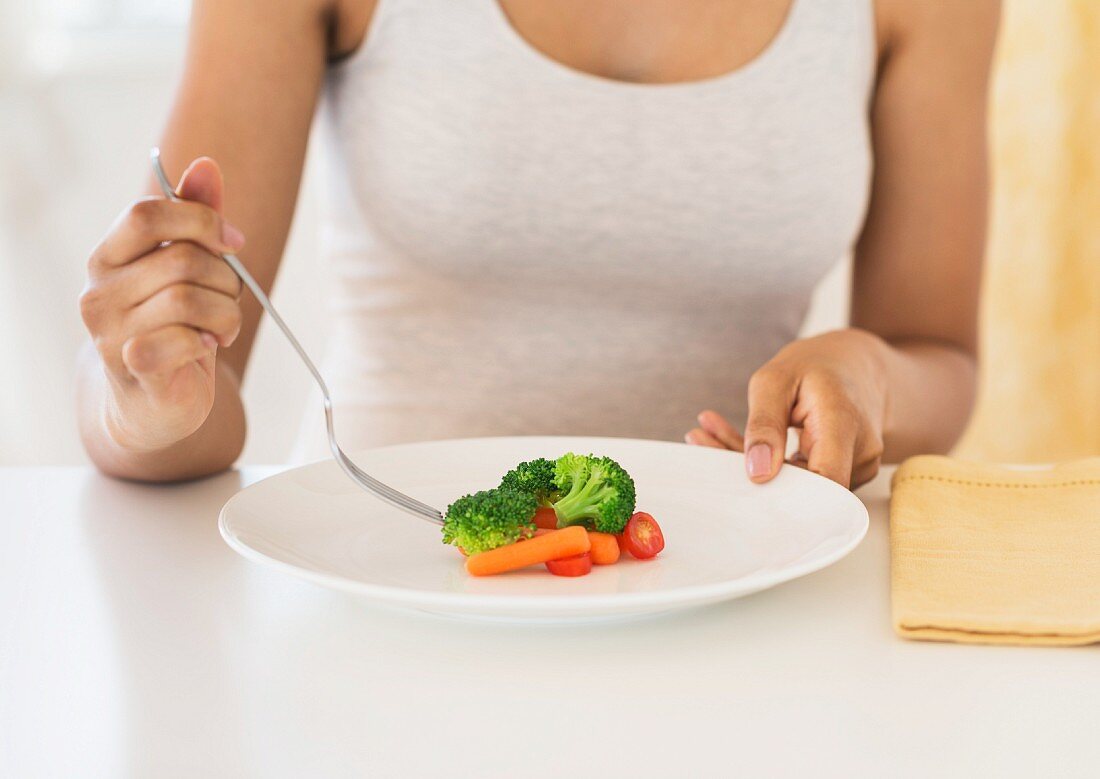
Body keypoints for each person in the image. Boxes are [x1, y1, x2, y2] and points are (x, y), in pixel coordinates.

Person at [77, 0, 999, 488]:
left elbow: (938, 358)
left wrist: (869, 375)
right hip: (381, 580)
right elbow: (180, 389)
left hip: (731, 594)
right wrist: (142, 403)